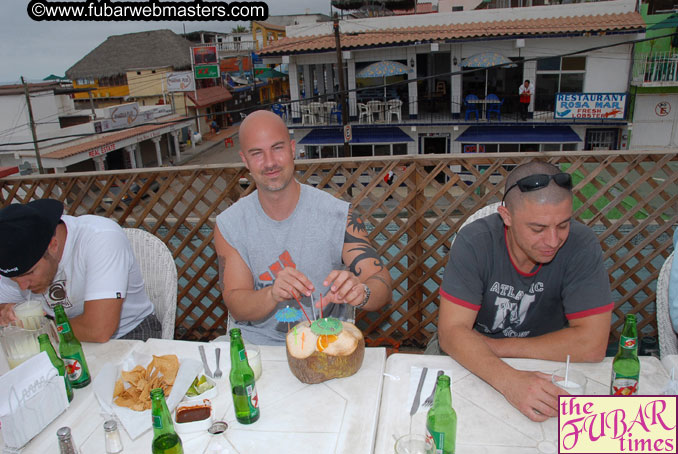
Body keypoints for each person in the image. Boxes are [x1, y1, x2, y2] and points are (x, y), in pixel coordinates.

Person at [435, 161, 613, 422]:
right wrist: (510, 381)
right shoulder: (475, 241)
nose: (553, 241)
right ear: (506, 216)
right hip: (485, 358)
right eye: (537, 229)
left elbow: (593, 345)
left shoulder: (582, 244)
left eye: (563, 225)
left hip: (542, 361)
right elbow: (451, 334)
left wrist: (495, 347)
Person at [213, 110, 392, 345]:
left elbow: (382, 282)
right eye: (257, 153)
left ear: (292, 149)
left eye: (277, 148)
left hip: (323, 340)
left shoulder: (338, 214)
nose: (269, 162)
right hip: (255, 344)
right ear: (245, 160)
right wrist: (272, 293)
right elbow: (236, 304)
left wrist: (362, 292)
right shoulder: (230, 224)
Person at [0, 199, 160, 342]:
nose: (22, 286)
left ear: (53, 245)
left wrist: (40, 330)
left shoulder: (101, 239)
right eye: (13, 279)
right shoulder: (12, 258)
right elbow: (3, 304)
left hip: (127, 334)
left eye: (30, 273)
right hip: (57, 335)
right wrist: (6, 313)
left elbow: (98, 329)